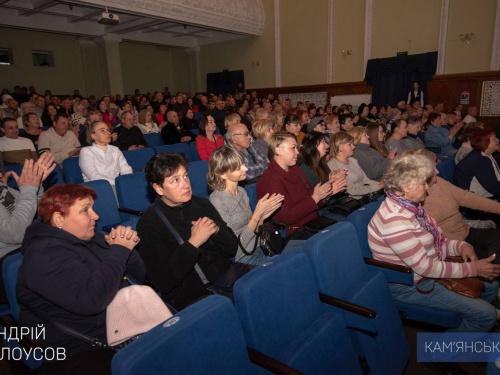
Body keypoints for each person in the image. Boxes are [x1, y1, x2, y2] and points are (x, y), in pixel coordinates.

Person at [17, 184, 146, 373]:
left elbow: (140, 277)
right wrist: (119, 252)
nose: (96, 216)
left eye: (93, 208)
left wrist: (129, 251)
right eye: (86, 210)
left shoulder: (91, 238)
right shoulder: (43, 255)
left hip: (123, 326)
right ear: (59, 218)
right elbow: (91, 300)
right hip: (81, 347)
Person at [368, 153, 500, 332]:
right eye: (423, 183)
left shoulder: (411, 207)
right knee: (487, 314)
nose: (427, 188)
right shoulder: (394, 221)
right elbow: (425, 268)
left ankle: (469, 319)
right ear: (406, 187)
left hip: (430, 270)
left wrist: (461, 246)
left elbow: (435, 240)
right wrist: (474, 268)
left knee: (491, 286)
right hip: (412, 285)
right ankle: (442, 350)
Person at [136, 153, 237, 311]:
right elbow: (163, 281)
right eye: (175, 180)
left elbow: (233, 249)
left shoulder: (202, 204)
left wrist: (217, 230)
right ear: (158, 188)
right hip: (192, 297)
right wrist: (193, 243)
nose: (186, 184)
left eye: (186, 176)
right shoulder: (149, 224)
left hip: (227, 280)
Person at [208, 146, 296, 265]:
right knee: (292, 262)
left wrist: (262, 217)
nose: (245, 168)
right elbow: (236, 248)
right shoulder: (217, 200)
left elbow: (253, 228)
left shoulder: (241, 191)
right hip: (244, 257)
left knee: (300, 250)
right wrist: (257, 215)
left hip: (261, 246)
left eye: (243, 163)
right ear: (223, 174)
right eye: (238, 167)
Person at [0, 153, 55, 304]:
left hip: (27, 249)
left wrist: (36, 187)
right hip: (8, 267)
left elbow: (34, 209)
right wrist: (29, 189)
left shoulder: (1, 186)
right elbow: (16, 233)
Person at [256, 133, 334, 235]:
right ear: (278, 150)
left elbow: (314, 202)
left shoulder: (296, 170)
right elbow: (288, 217)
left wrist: (325, 193)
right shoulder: (270, 180)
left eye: (297, 148)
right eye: (293, 148)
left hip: (313, 222)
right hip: (294, 231)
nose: (297, 152)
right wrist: (315, 198)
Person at [298, 132, 347, 215]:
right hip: (322, 212)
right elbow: (313, 200)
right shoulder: (304, 169)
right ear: (312, 145)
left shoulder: (321, 164)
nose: (327, 146)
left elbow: (333, 192)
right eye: (323, 142)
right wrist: (331, 188)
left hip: (332, 206)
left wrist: (335, 181)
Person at [327, 132, 380, 198]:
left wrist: (382, 184)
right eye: (350, 144)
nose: (353, 147)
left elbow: (366, 180)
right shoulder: (333, 165)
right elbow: (351, 190)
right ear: (340, 147)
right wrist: (379, 186)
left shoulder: (353, 160)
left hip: (366, 197)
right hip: (354, 203)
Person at [79, 121, 133, 186]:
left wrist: (128, 180)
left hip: (117, 185)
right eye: (102, 130)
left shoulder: (115, 149)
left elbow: (126, 168)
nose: (108, 133)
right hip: (98, 188)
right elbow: (94, 177)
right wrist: (118, 183)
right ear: (93, 136)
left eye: (108, 130)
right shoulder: (86, 151)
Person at [454, 129, 500, 199]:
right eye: (494, 139)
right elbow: (495, 188)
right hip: (475, 202)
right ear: (485, 142)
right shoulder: (481, 161)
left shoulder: (485, 154)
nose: (498, 140)